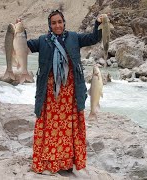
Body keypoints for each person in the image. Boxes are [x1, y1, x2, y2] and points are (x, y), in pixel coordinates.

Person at [25, 10, 103, 174]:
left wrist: (98, 23)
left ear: (64, 22)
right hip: (50, 92)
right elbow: (25, 46)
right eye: (54, 23)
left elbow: (94, 38)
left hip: (71, 91)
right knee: (51, 127)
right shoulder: (42, 41)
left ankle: (67, 163)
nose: (57, 25)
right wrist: (19, 30)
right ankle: (49, 162)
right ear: (50, 25)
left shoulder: (74, 37)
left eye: (60, 22)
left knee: (68, 127)